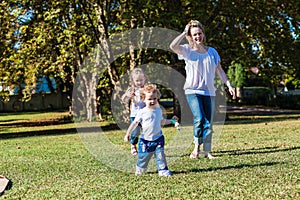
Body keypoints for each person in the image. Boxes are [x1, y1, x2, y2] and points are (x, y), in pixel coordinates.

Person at [170, 20, 236, 159]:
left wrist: (229, 85)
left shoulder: (212, 52)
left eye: (199, 33)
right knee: (199, 118)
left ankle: (207, 151)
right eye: (194, 35)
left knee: (209, 122)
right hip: (192, 90)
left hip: (209, 92)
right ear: (191, 36)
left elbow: (220, 71)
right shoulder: (187, 50)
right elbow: (172, 46)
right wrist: (184, 32)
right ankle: (196, 148)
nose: (197, 37)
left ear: (203, 34)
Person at [124, 83, 179, 176]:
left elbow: (162, 121)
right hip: (145, 140)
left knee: (160, 155)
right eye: (149, 99)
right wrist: (127, 134)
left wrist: (172, 121)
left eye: (154, 98)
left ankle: (163, 170)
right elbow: (134, 123)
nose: (152, 101)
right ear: (143, 99)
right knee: (143, 157)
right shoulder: (142, 112)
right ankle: (140, 169)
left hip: (158, 138)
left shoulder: (158, 110)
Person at [121, 68, 147, 156]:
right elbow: (123, 99)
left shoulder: (146, 89)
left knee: (146, 130)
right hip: (135, 115)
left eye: (141, 80)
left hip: (145, 114)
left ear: (144, 79)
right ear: (133, 81)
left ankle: (145, 146)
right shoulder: (132, 90)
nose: (139, 82)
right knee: (135, 131)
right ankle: (133, 145)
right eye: (137, 80)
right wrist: (128, 96)